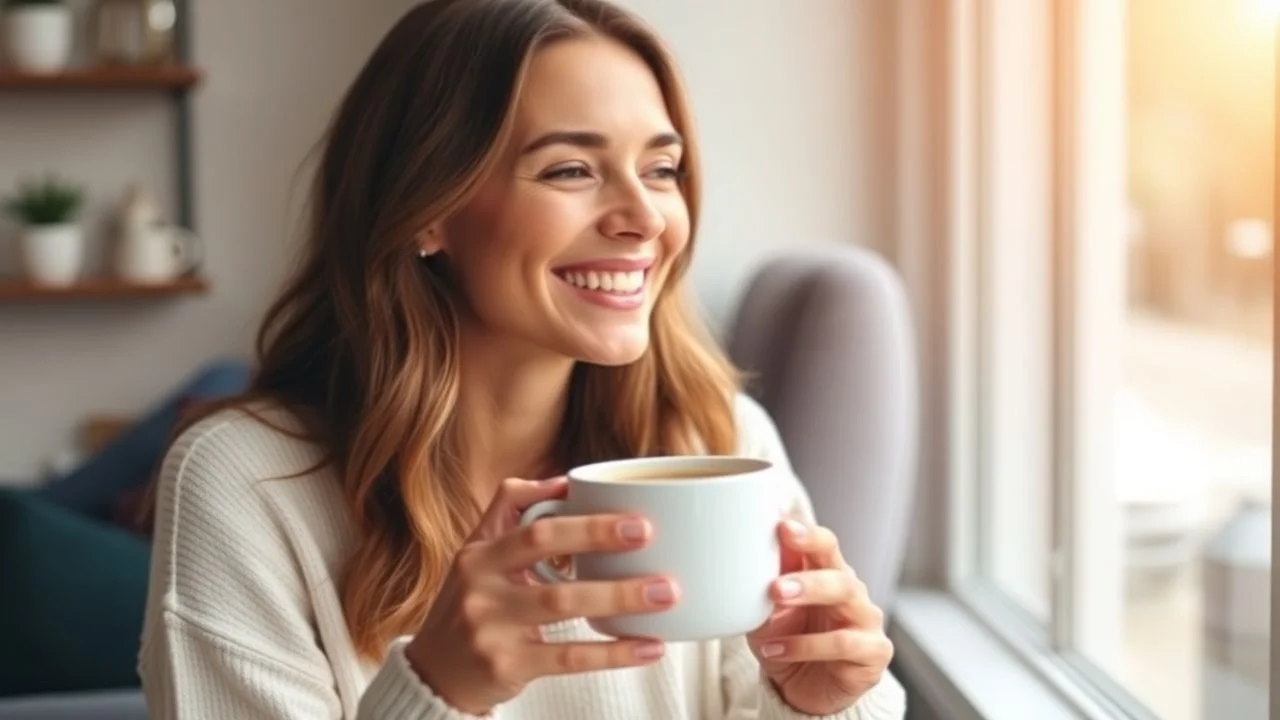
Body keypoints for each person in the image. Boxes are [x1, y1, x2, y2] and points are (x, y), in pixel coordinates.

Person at [138, 0, 907, 718]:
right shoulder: (246, 485)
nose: (644, 219)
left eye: (662, 169)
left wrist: (823, 703)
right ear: (428, 208)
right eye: (571, 169)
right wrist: (437, 690)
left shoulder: (721, 441)